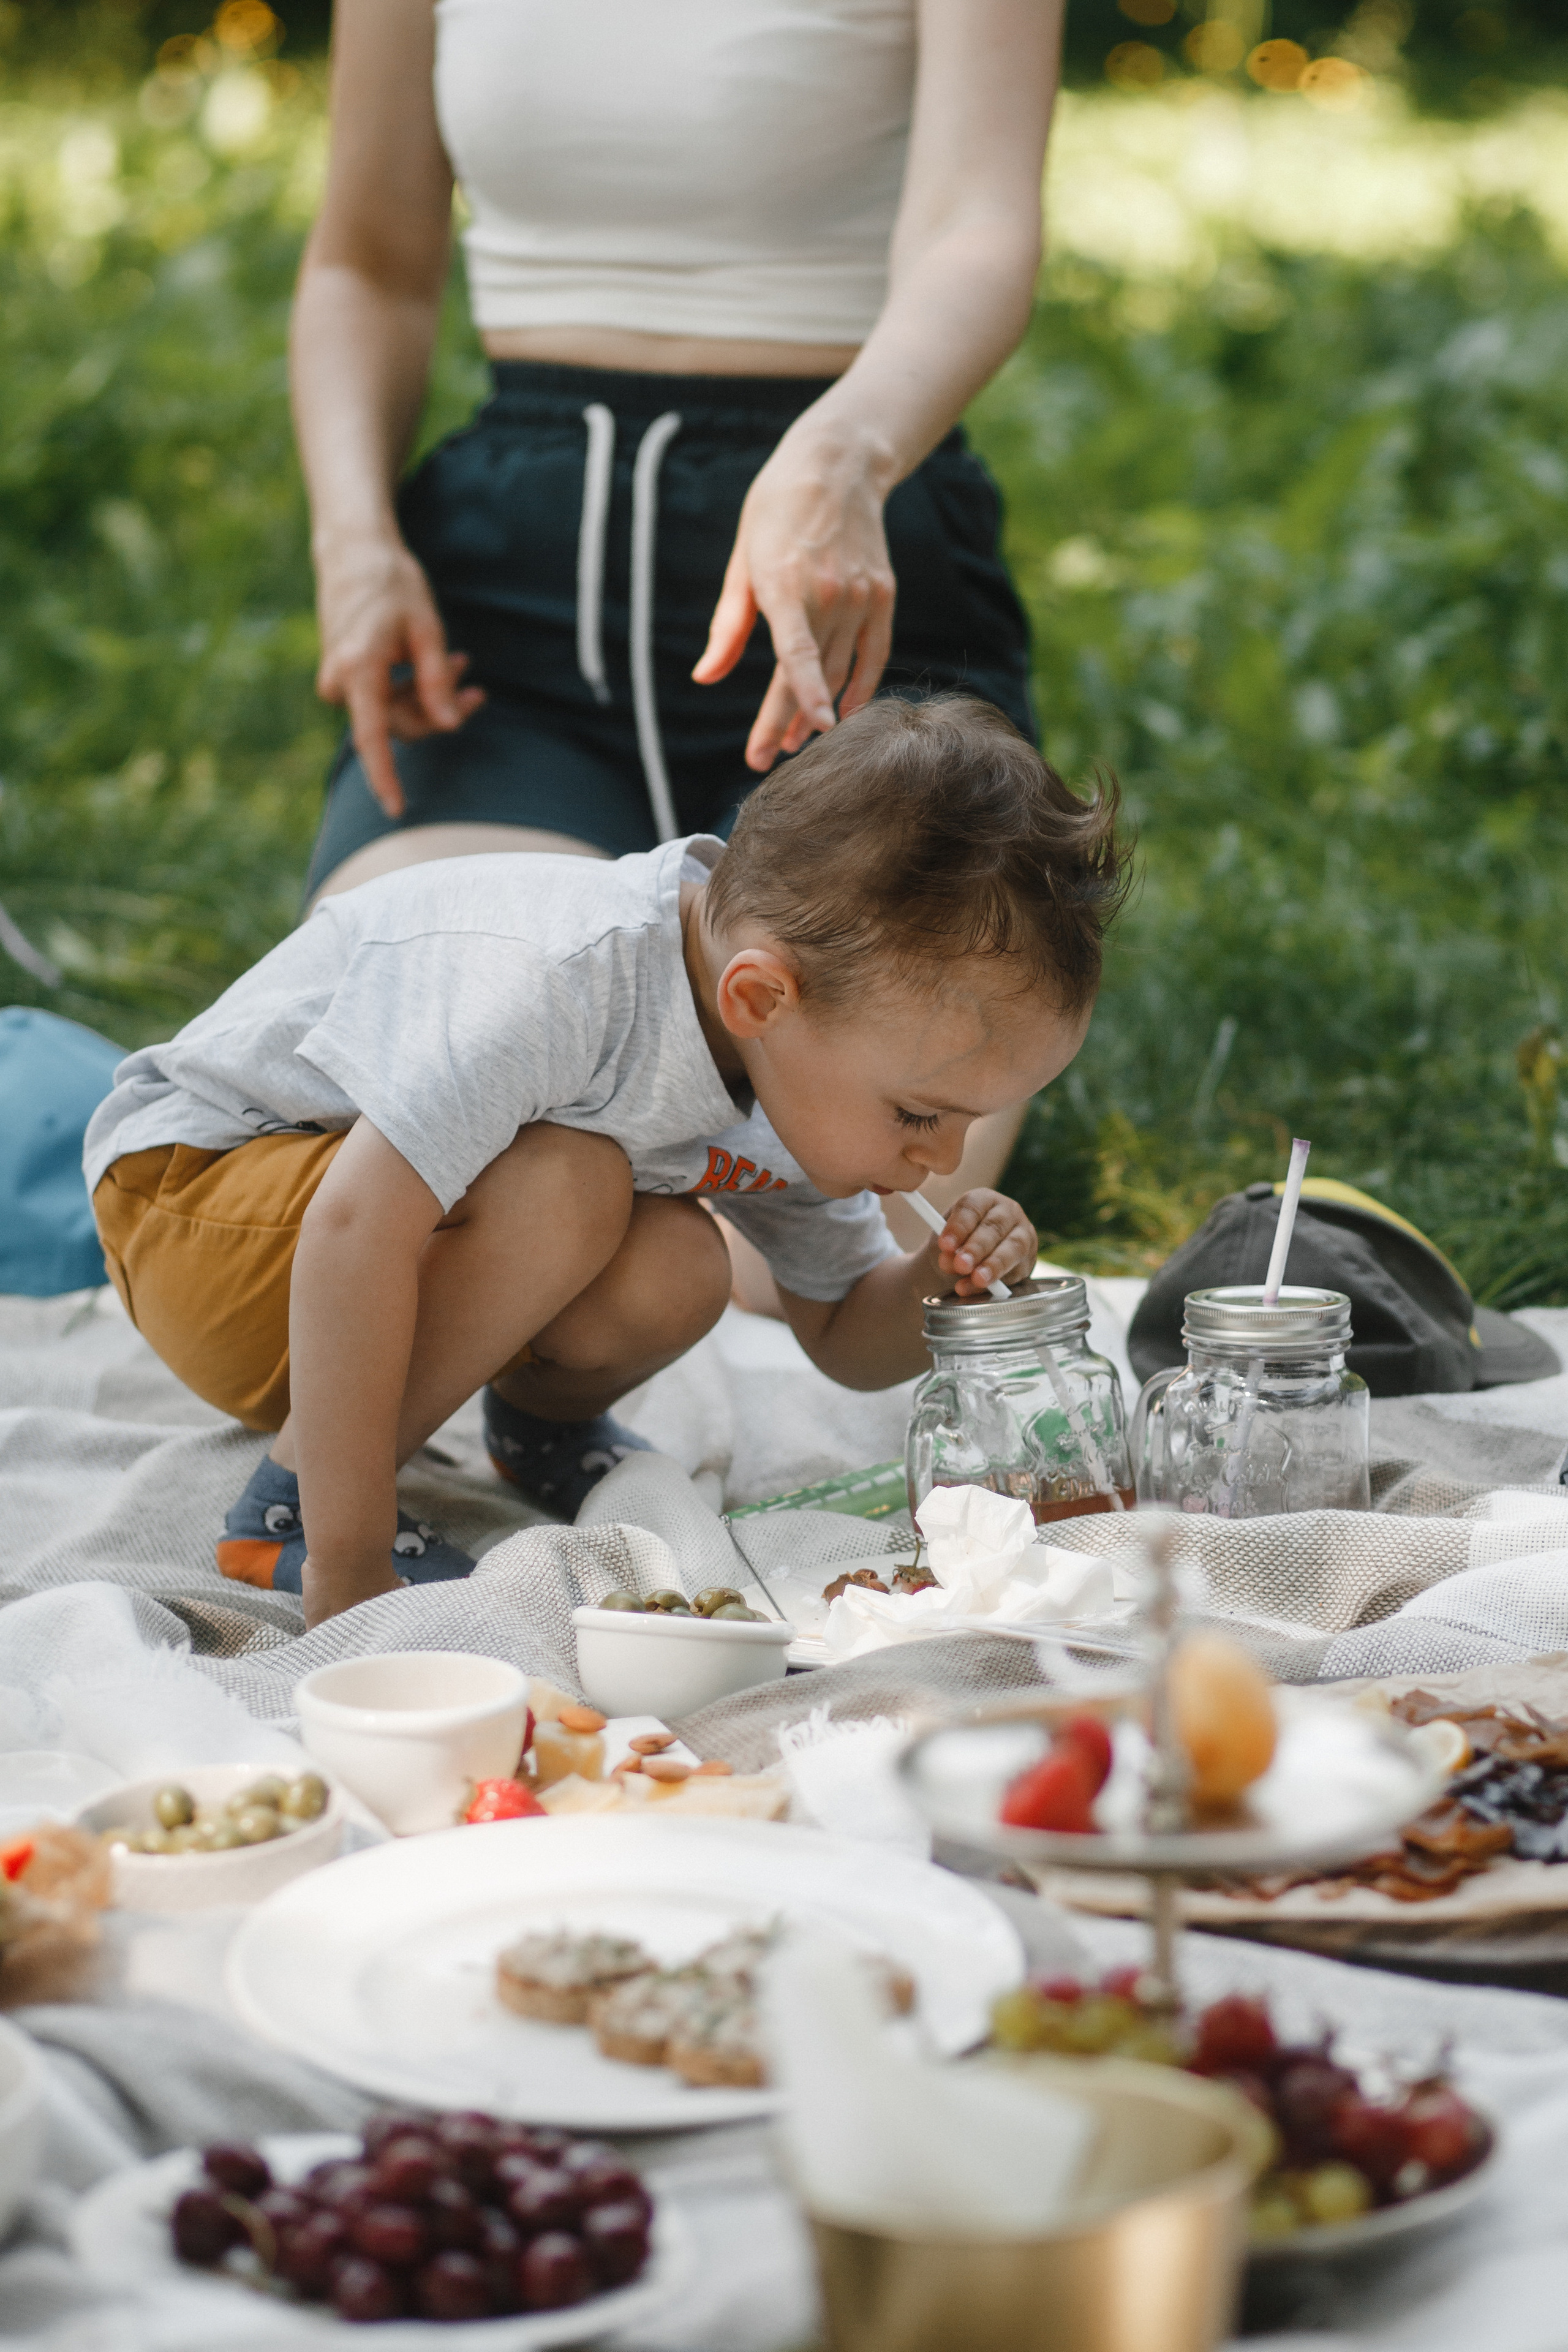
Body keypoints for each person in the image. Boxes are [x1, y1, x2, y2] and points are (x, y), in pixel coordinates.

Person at [84, 698, 1126, 1627]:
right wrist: (348, 1563)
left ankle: (540, 1431)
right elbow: (358, 1226)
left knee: (683, 1262)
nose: (939, 1158)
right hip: (198, 1205)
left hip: (351, 1284)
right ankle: (291, 1507)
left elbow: (847, 1331)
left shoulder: (795, 1052)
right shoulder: (561, 981)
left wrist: (935, 1287)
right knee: (574, 1181)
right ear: (760, 998)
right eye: (917, 1113)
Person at [290, 0, 1065, 1233]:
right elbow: (365, 263)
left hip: (842, 592)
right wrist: (352, 540)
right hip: (509, 622)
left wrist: (848, 457)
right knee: (437, 1151)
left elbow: (979, 228)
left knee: (854, 1215)